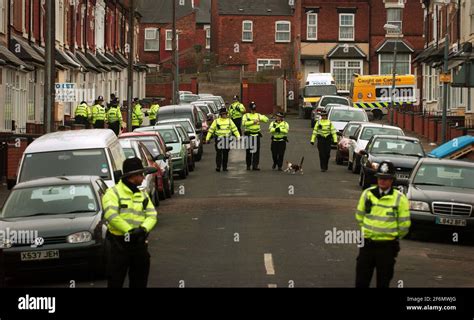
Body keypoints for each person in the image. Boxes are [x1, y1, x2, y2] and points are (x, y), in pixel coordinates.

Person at [102, 157, 158, 288]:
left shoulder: (142, 195)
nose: (144, 178)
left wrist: (143, 229)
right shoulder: (113, 193)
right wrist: (129, 231)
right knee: (115, 281)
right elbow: (111, 215)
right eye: (142, 175)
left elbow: (152, 215)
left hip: (139, 244)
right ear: (133, 176)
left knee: (139, 282)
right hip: (118, 245)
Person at [355, 161, 410, 288]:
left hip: (387, 247)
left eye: (386, 178)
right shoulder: (368, 194)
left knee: (383, 282)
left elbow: (404, 225)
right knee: (361, 281)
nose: (382, 181)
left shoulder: (399, 198)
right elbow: (359, 215)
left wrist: (390, 235)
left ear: (392, 180)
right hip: (367, 245)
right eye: (380, 178)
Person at [205, 108, 240, 172]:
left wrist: (238, 136)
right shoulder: (216, 121)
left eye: (226, 114)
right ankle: (218, 166)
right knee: (219, 153)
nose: (225, 115)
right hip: (219, 139)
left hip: (227, 139)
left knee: (225, 153)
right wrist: (207, 138)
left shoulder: (229, 121)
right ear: (221, 114)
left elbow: (234, 129)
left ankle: (224, 167)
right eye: (223, 114)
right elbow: (211, 130)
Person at [242, 102, 269, 171]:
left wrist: (260, 119)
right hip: (249, 135)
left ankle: (255, 165)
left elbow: (267, 120)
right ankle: (248, 165)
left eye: (254, 109)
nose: (253, 111)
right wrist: (253, 122)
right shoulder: (246, 116)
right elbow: (244, 123)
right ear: (250, 109)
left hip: (256, 135)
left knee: (256, 151)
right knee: (249, 151)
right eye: (252, 109)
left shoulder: (258, 115)